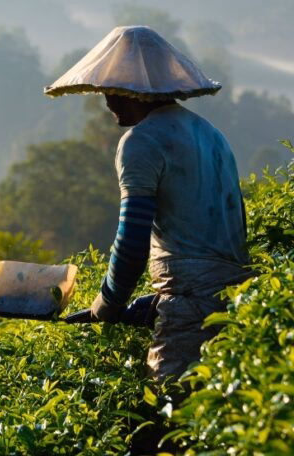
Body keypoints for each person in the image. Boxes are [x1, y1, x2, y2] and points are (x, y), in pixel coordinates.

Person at [45, 26, 254, 382]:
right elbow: (211, 242)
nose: (108, 101)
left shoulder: (140, 141)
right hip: (238, 298)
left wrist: (107, 304)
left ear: (138, 92)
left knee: (174, 408)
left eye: (115, 90)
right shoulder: (211, 135)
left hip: (190, 304)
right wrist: (149, 304)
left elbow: (132, 240)